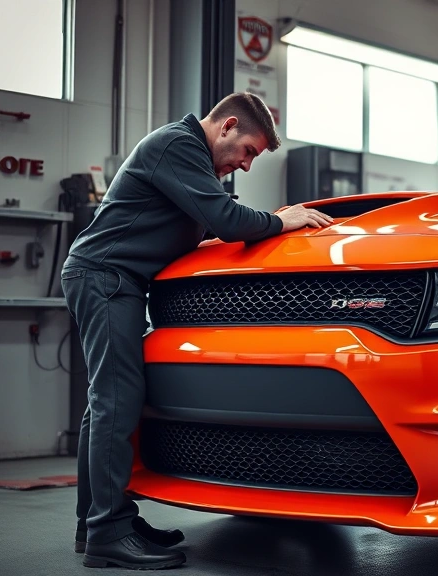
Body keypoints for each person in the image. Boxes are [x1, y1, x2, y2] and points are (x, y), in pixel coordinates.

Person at [61, 92, 332, 570]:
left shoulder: (187, 159)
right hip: (105, 277)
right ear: (227, 126)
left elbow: (198, 227)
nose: (246, 166)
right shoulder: (178, 145)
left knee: (104, 404)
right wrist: (282, 220)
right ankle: (107, 533)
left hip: (113, 279)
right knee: (116, 401)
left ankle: (100, 520)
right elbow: (228, 222)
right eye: (248, 151)